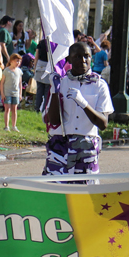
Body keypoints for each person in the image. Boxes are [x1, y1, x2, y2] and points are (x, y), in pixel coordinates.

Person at [41, 42, 111, 178]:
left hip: (87, 145)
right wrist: (55, 91)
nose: (83, 61)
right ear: (69, 59)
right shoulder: (61, 82)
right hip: (60, 144)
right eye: (78, 56)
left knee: (84, 191)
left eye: (87, 56)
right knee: (55, 187)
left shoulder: (99, 85)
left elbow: (103, 124)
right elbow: (54, 120)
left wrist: (83, 103)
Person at [1, 53, 23, 131]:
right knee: (7, 109)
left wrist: (20, 94)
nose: (18, 63)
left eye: (19, 62)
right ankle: (6, 126)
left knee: (14, 109)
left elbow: (20, 83)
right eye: (17, 61)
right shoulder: (6, 71)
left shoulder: (19, 71)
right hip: (7, 93)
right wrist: (2, 93)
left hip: (16, 93)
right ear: (11, 61)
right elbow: (2, 82)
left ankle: (14, 126)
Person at [34, 38, 50, 113]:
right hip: (49, 65)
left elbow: (36, 57)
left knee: (39, 89)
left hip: (40, 64)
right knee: (47, 90)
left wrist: (35, 68)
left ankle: (37, 108)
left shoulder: (41, 43)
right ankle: (44, 109)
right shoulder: (53, 43)